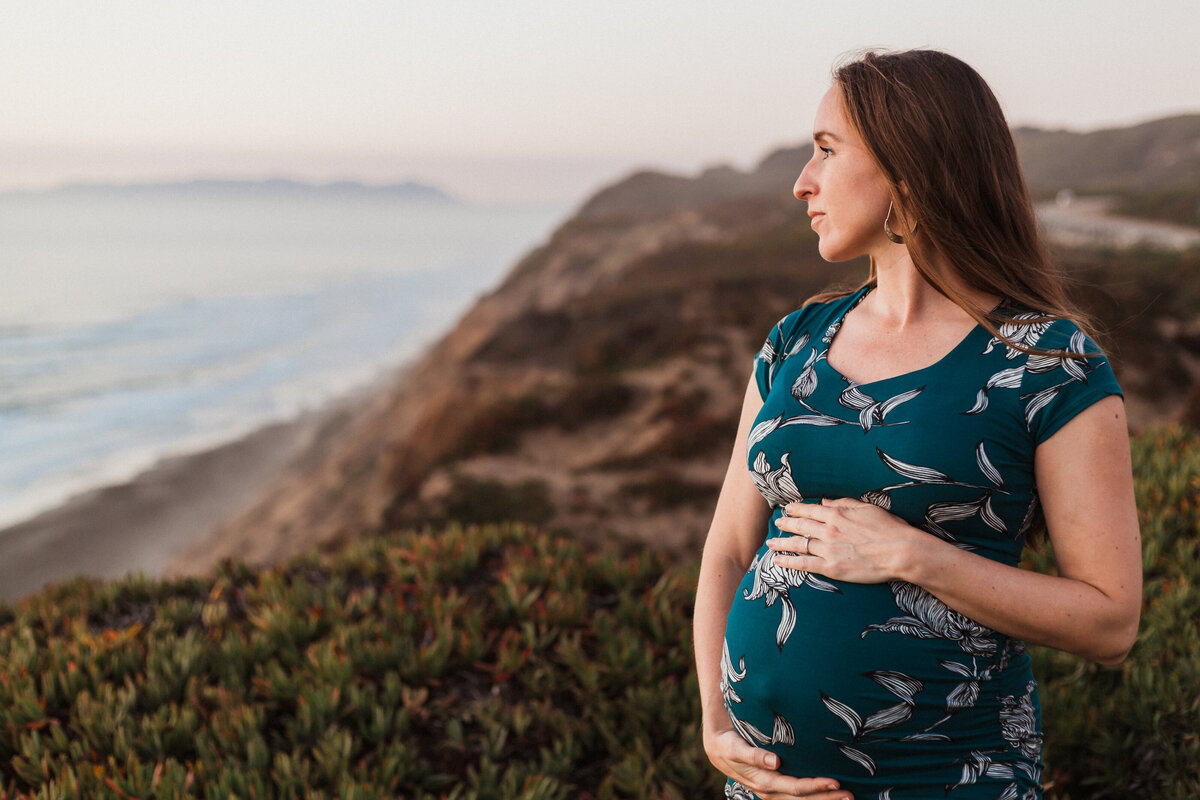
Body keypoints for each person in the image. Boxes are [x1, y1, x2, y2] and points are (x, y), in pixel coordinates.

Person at [693, 49, 1142, 800]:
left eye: (827, 151)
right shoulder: (794, 342)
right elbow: (728, 549)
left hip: (951, 778)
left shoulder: (1045, 363)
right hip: (768, 786)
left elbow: (1109, 621)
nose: (802, 181)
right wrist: (716, 725)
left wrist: (911, 555)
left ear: (910, 172)